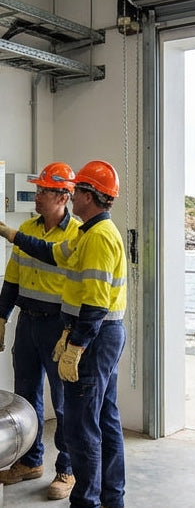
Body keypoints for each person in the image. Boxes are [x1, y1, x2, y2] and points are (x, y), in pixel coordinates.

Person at [0, 160, 127, 508]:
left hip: (89, 336)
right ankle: (110, 499)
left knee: (82, 426)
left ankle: (85, 496)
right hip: (77, 332)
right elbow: (53, 254)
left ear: (83, 195)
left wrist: (76, 345)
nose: (72, 199)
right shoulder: (87, 234)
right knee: (103, 418)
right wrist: (14, 235)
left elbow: (97, 303)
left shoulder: (96, 237)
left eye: (77, 193)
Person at [0, 162, 81, 500]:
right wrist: (2, 316)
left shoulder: (76, 234)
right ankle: (31, 462)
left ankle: (67, 470)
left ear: (64, 195)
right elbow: (12, 279)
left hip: (58, 327)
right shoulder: (27, 227)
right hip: (28, 323)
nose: (37, 195)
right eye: (37, 189)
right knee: (26, 397)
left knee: (63, 405)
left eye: (44, 190)